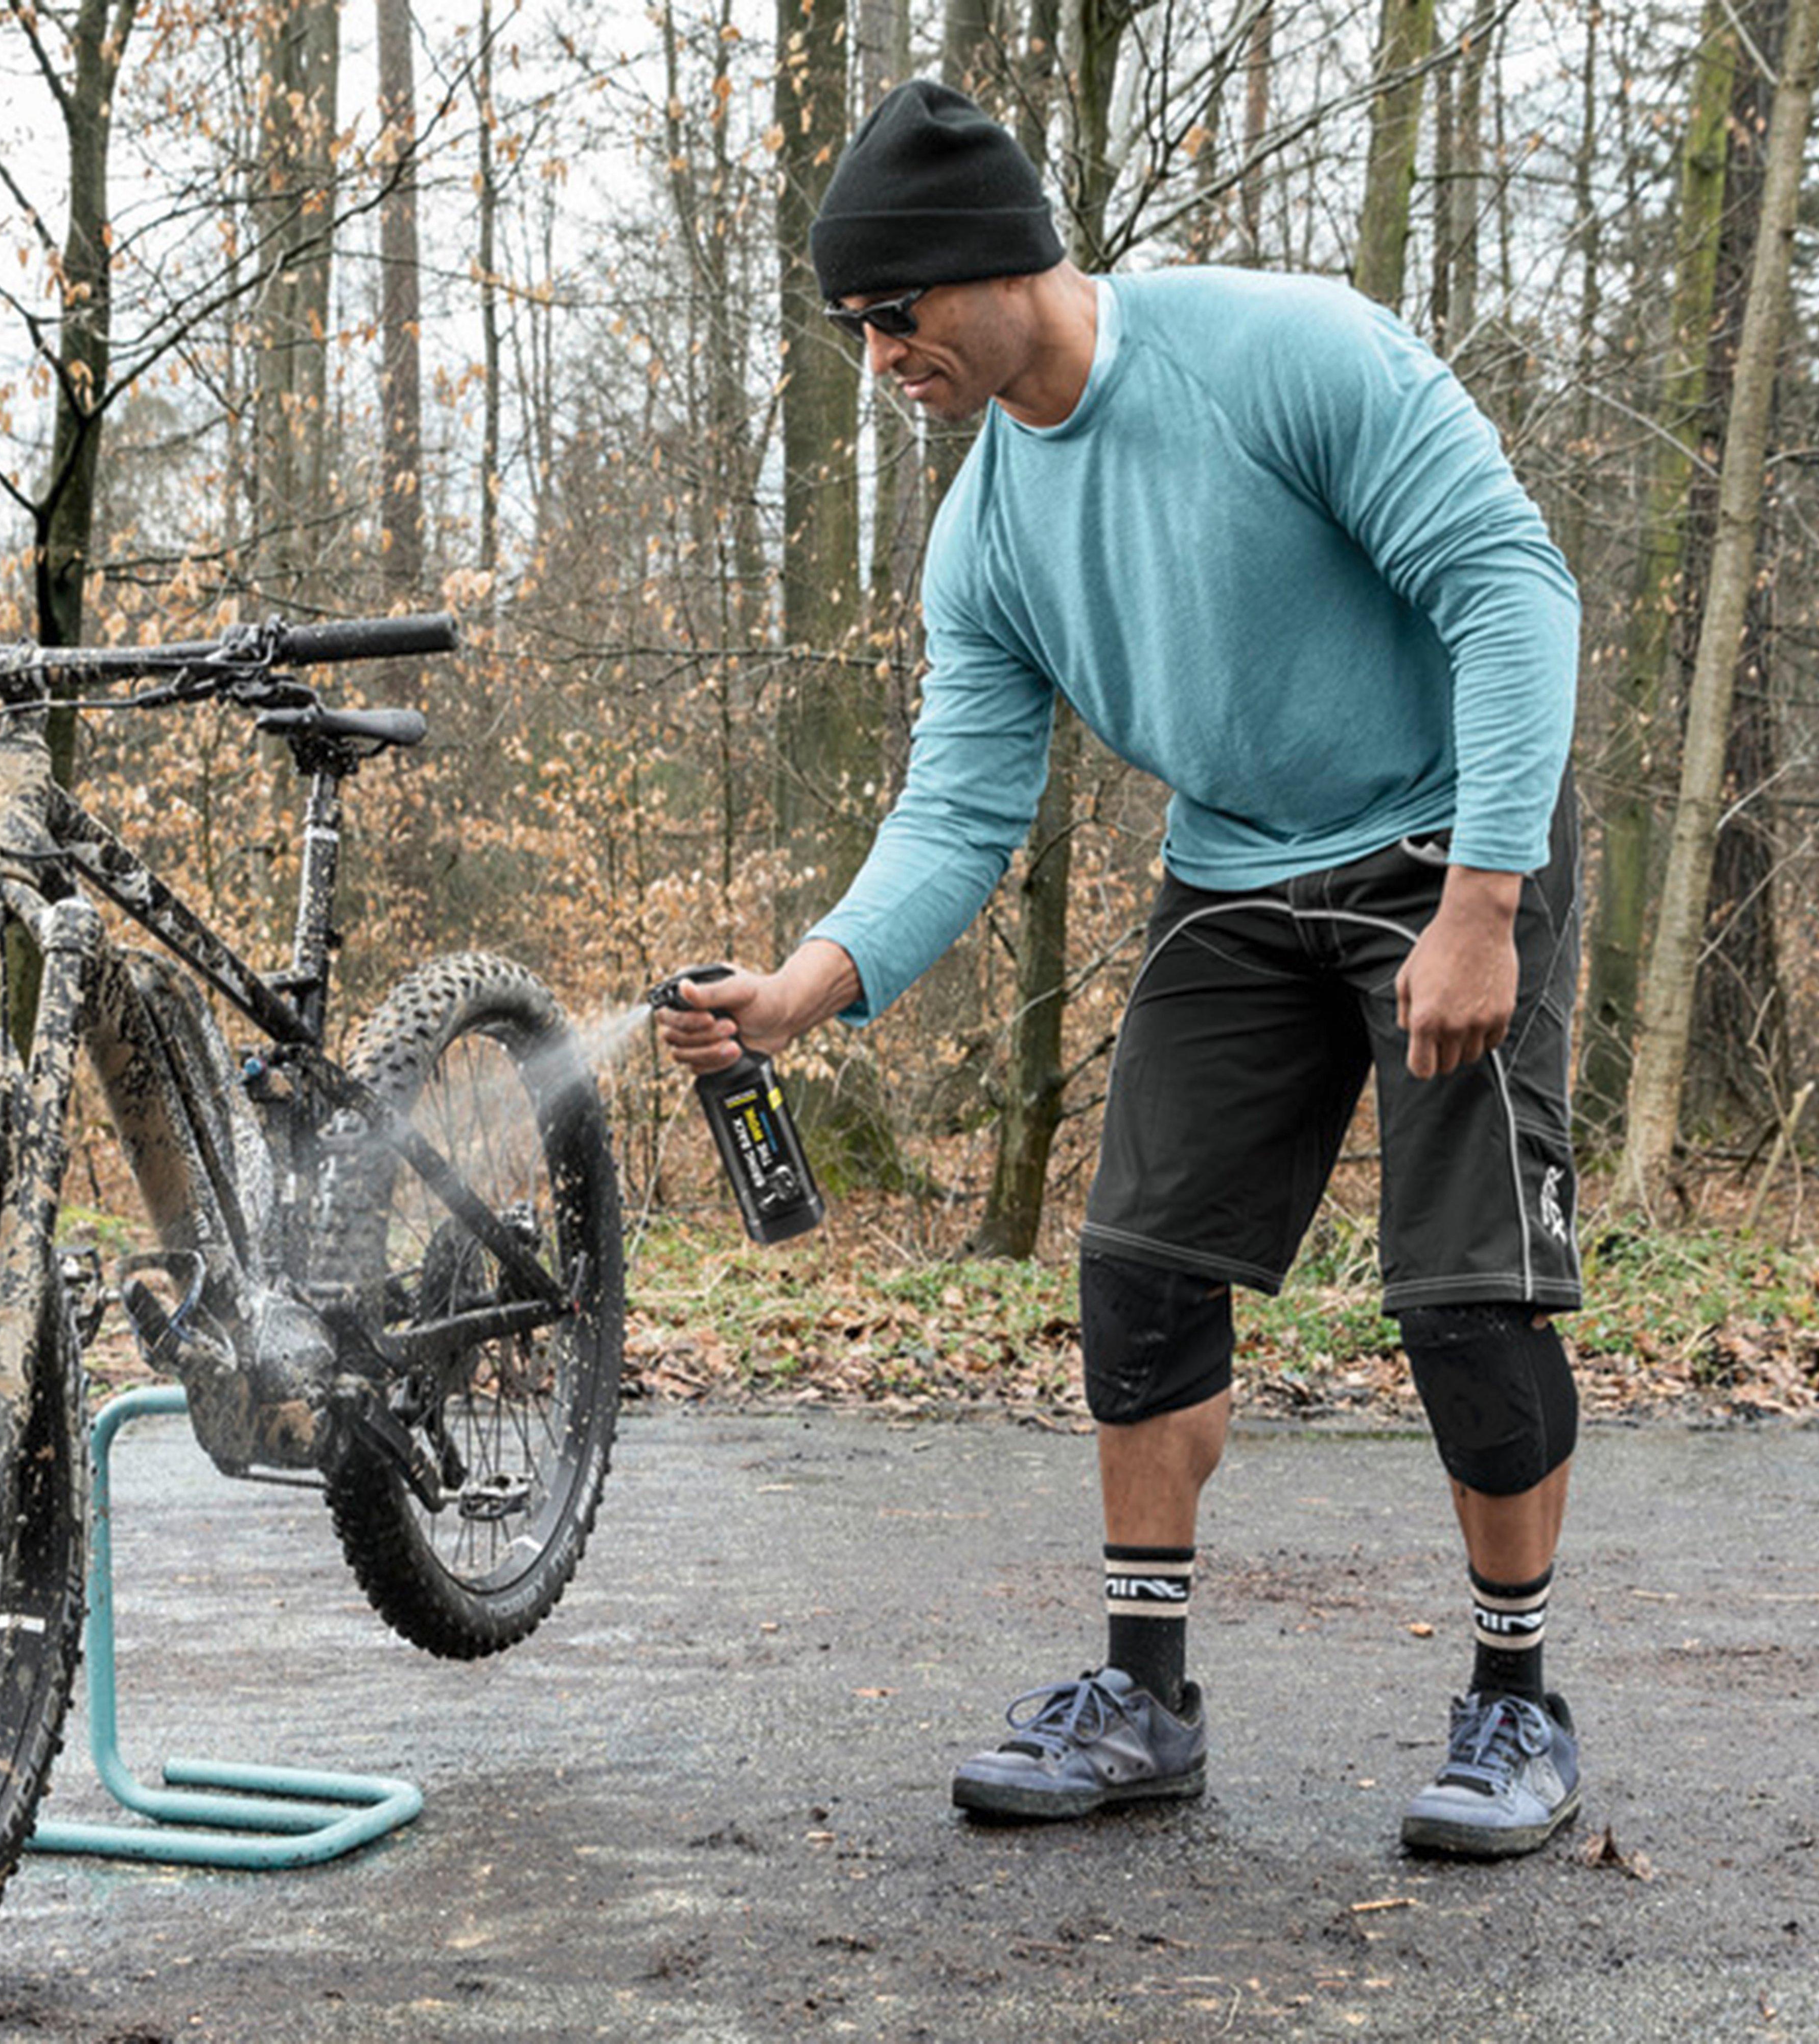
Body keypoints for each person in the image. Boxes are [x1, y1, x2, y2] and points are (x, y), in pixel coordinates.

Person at [655, 78, 1584, 1860]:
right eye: (851, 325)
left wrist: (1484, 901)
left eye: (892, 313)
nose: (876, 356)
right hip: (1237, 864)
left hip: (1450, 833)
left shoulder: (1284, 352)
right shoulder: (988, 531)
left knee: (1467, 1293)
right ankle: (1145, 1700)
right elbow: (960, 809)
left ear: (996, 266)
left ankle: (1516, 1708)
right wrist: (808, 985)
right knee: (1139, 1270)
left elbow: (1513, 588)